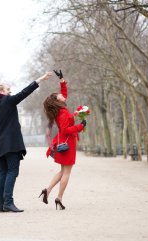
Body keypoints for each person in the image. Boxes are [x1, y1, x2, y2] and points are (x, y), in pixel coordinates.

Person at [0, 71, 53, 213]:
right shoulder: (8, 100)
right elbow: (25, 92)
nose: (10, 91)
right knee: (12, 171)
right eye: (7, 89)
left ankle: (2, 204)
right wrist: (40, 79)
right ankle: (8, 203)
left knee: (3, 172)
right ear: (1, 91)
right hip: (11, 144)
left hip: (0, 147)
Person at [39, 70, 86, 210]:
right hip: (67, 143)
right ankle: (58, 198)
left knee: (62, 171)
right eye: (59, 95)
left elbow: (64, 93)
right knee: (66, 172)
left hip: (62, 142)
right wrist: (80, 126)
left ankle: (47, 191)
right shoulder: (63, 113)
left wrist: (62, 79)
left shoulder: (60, 109)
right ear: (56, 101)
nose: (62, 95)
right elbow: (65, 130)